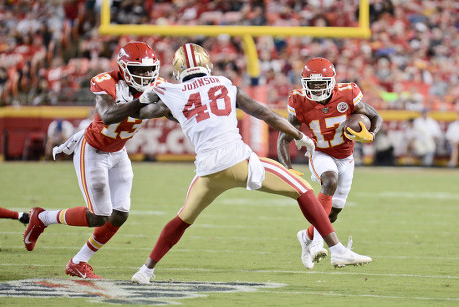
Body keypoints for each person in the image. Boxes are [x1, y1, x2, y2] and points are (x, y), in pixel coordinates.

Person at [123, 43, 372, 284]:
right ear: (207, 64)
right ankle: (337, 249)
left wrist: (144, 97)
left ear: (178, 69)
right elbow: (266, 115)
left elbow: (139, 113)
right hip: (240, 161)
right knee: (303, 189)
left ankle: (145, 270)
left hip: (208, 171)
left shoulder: (170, 92)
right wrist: (300, 136)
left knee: (182, 219)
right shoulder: (224, 83)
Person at [23, 41, 162, 279]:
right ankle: (42, 218)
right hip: (93, 151)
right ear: (123, 68)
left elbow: (167, 110)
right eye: (139, 70)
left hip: (119, 152)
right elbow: (107, 115)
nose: (146, 75)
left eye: (149, 70)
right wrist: (142, 101)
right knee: (98, 215)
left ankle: (78, 262)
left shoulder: (157, 85)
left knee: (120, 213)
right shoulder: (105, 81)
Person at [277, 57, 383, 269]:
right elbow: (284, 137)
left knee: (333, 213)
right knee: (329, 181)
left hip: (346, 156)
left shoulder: (348, 93)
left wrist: (371, 134)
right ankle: (318, 244)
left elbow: (375, 116)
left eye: (321, 84)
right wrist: (287, 169)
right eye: (312, 84)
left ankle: (306, 237)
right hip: (320, 153)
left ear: (332, 82)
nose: (316, 89)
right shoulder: (299, 100)